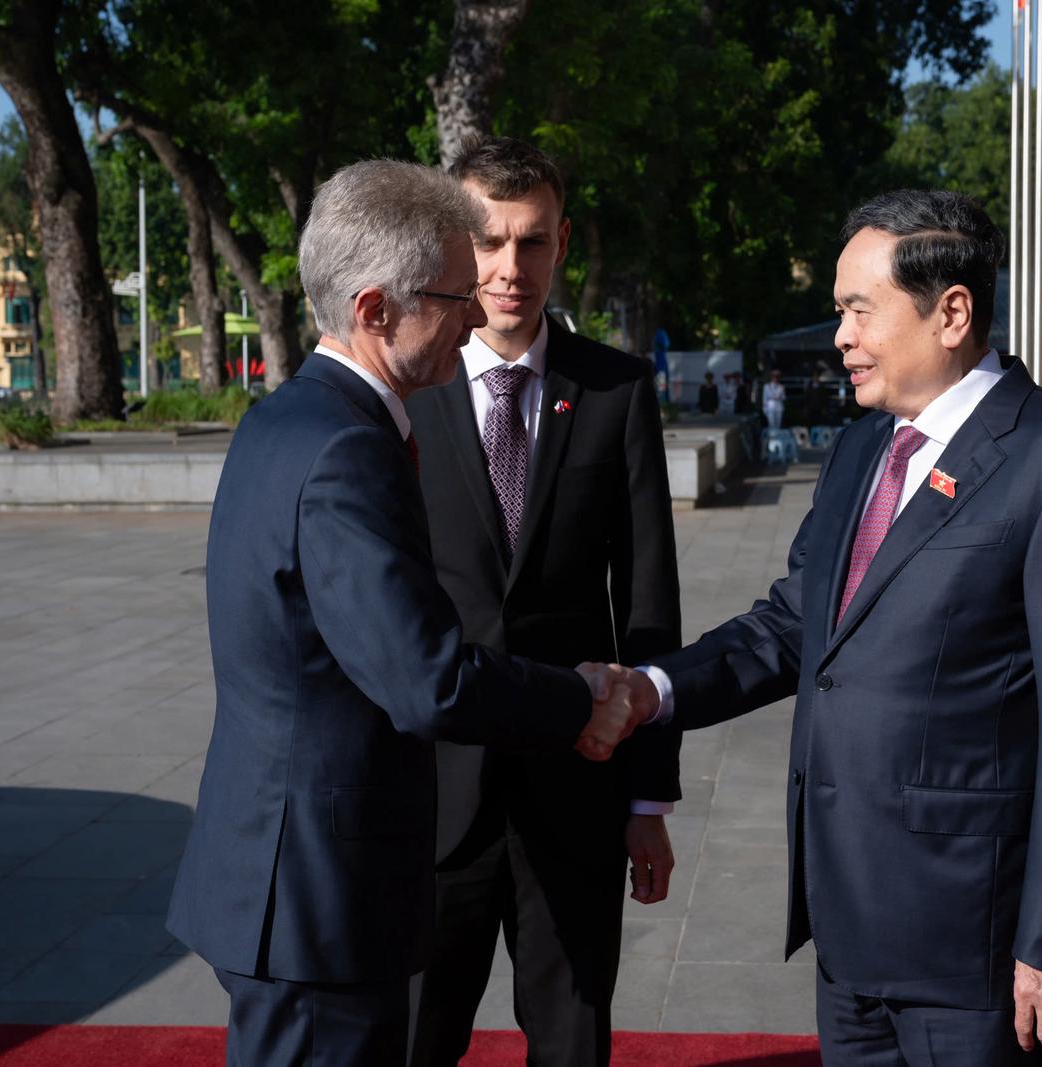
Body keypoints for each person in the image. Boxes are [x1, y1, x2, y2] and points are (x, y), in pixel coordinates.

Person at [613, 190, 1042, 1065]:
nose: (841, 337)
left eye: (860, 311)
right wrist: (652, 689)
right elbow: (794, 625)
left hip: (975, 944)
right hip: (847, 924)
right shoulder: (863, 446)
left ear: (952, 313)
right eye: (839, 312)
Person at [165, 159, 641, 1067]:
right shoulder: (347, 449)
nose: (476, 316)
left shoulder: (284, 420)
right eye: (456, 295)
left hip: (287, 878)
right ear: (376, 308)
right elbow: (426, 679)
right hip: (316, 898)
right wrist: (580, 697)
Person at [404, 137, 684, 1067]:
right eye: (489, 241)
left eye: (531, 241)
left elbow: (649, 608)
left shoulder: (617, 391)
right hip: (434, 790)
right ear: (456, 244)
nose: (509, 268)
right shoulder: (406, 394)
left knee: (571, 1040)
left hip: (577, 784)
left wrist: (648, 795)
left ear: (561, 243)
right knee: (415, 1035)